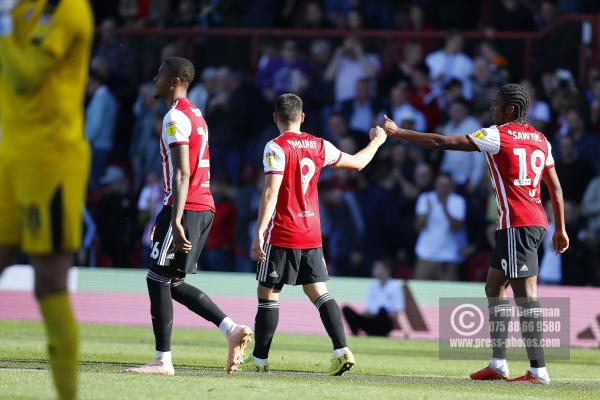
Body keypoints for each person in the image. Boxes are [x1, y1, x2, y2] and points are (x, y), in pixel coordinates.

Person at [383, 83, 569, 384]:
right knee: (494, 286)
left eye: (495, 104)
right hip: (530, 221)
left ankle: (539, 371)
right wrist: (560, 228)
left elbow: (442, 143)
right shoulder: (541, 139)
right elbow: (556, 188)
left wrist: (399, 132)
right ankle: (498, 364)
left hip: (517, 224)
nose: (491, 108)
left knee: (526, 297)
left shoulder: (497, 135)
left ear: (510, 108)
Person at [239, 93, 387, 375]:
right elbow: (358, 163)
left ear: (275, 118)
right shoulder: (320, 145)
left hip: (283, 232)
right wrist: (378, 140)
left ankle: (258, 362)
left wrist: (258, 232)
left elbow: (270, 192)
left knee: (267, 292)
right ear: (302, 117)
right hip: (311, 233)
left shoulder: (275, 147)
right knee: (318, 290)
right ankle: (342, 350)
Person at [124, 57, 252, 377]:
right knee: (173, 282)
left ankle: (162, 360)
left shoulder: (174, 117)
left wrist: (175, 218)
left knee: (156, 279)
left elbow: (182, 173)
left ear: (176, 79)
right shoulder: (195, 114)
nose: (155, 77)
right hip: (199, 205)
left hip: (189, 205)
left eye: (160, 73)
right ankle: (231, 328)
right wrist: (167, 213)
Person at [0, 0, 93, 399]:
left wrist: (3, 23)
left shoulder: (68, 8)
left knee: (48, 282)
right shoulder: (22, 8)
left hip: (51, 161)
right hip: (11, 155)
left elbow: (24, 75)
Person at [413, 173, 466, 280]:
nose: (442, 188)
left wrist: (445, 209)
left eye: (446, 185)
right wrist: (427, 212)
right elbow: (418, 227)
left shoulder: (458, 201)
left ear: (451, 186)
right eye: (440, 185)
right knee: (420, 293)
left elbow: (457, 228)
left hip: (448, 256)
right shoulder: (425, 198)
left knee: (446, 296)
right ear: (435, 185)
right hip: (425, 255)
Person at [342, 260, 405, 337]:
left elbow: (397, 311)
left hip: (385, 322)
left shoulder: (395, 286)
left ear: (387, 270)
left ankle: (381, 332)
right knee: (346, 309)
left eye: (378, 268)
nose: (375, 269)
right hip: (371, 320)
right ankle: (356, 333)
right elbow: (367, 310)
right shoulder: (373, 286)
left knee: (382, 311)